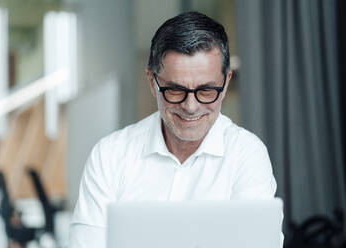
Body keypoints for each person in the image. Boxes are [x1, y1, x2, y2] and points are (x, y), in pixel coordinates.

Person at [70, 11, 279, 247]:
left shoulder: (246, 155)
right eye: (176, 90)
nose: (191, 107)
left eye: (207, 91)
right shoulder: (110, 155)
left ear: (226, 81)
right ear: (152, 82)